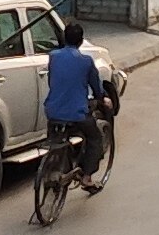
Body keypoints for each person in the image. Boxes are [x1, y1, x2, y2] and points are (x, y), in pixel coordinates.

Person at [42, 18, 109, 189]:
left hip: (52, 110)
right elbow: (96, 87)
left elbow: (52, 82)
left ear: (64, 39)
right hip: (76, 113)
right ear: (81, 41)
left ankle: (55, 163)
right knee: (95, 137)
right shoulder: (86, 61)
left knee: (55, 139)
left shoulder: (53, 57)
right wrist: (103, 99)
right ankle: (86, 177)